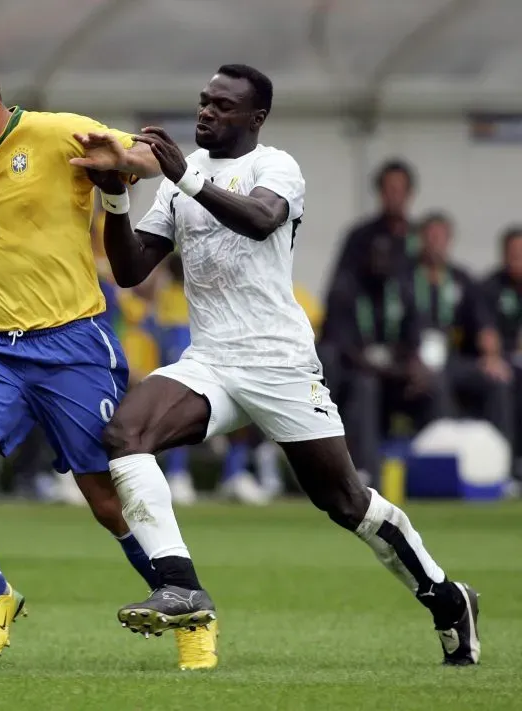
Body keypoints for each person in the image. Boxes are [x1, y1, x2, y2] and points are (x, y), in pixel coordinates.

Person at [80, 63, 480, 669]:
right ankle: (179, 583)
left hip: (279, 364)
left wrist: (182, 176)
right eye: (203, 101)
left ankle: (447, 597)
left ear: (255, 118)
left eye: (222, 105)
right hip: (211, 360)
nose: (206, 112)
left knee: (346, 503)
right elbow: (133, 270)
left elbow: (261, 219)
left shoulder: (276, 167)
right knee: (124, 434)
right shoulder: (176, 179)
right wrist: (114, 194)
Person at [0, 56, 162, 664]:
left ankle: (183, 602)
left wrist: (125, 163)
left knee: (108, 501)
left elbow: (154, 157)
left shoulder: (57, 135)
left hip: (72, 345)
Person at [323, 232, 438, 481]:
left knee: (433, 385)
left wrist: (415, 367)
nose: (381, 262)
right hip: (351, 378)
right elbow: (346, 350)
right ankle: (367, 471)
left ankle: (433, 470)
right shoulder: (346, 289)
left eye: (387, 257)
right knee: (366, 385)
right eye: (376, 255)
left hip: (393, 375)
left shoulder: (401, 291)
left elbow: (414, 337)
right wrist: (395, 371)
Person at [409, 214, 512, 438]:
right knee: (438, 382)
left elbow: (484, 325)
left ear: (449, 241)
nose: (436, 243)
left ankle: (503, 455)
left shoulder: (461, 278)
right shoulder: (405, 277)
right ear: (421, 240)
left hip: (454, 360)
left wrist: (492, 356)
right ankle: (448, 452)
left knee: (498, 380)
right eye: (431, 237)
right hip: (413, 362)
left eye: (441, 237)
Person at [329, 159, 420, 285]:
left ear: (409, 193)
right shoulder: (360, 237)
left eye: (399, 190)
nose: (394, 196)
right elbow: (341, 287)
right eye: (390, 189)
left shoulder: (420, 238)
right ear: (380, 192)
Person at [482, 226, 522, 482]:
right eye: (513, 252)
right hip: (503, 361)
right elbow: (486, 334)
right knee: (502, 382)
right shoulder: (490, 287)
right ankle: (507, 468)